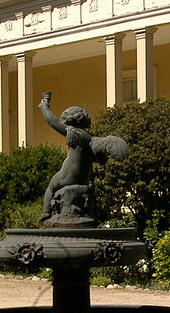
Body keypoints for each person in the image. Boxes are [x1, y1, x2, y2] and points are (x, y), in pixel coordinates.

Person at [37, 92, 128, 224]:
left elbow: (52, 122)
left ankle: (46, 212)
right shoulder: (93, 139)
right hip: (83, 178)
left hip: (67, 175)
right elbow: (102, 160)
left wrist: (44, 107)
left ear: (69, 120)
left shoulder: (74, 133)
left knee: (51, 186)